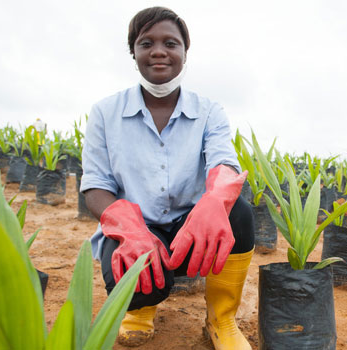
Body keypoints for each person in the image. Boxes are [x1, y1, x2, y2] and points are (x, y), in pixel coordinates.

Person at [80, 7, 254, 349]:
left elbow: (225, 163)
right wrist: (130, 228)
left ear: (185, 52)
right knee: (128, 272)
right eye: (147, 43)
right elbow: (96, 187)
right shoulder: (105, 112)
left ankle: (221, 319)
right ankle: (139, 312)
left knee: (239, 214)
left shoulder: (209, 111)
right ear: (134, 53)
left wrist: (215, 201)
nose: (159, 51)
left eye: (170, 43)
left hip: (190, 232)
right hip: (138, 231)